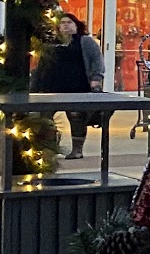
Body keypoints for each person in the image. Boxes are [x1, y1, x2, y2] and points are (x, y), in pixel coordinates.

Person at [31, 12, 104, 160]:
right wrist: (35, 84)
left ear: (76, 25)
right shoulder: (50, 43)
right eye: (63, 23)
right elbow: (41, 65)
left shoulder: (85, 42)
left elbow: (97, 60)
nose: (66, 25)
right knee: (45, 118)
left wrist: (96, 79)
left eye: (69, 22)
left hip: (77, 87)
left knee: (76, 118)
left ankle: (77, 150)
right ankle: (50, 148)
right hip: (51, 87)